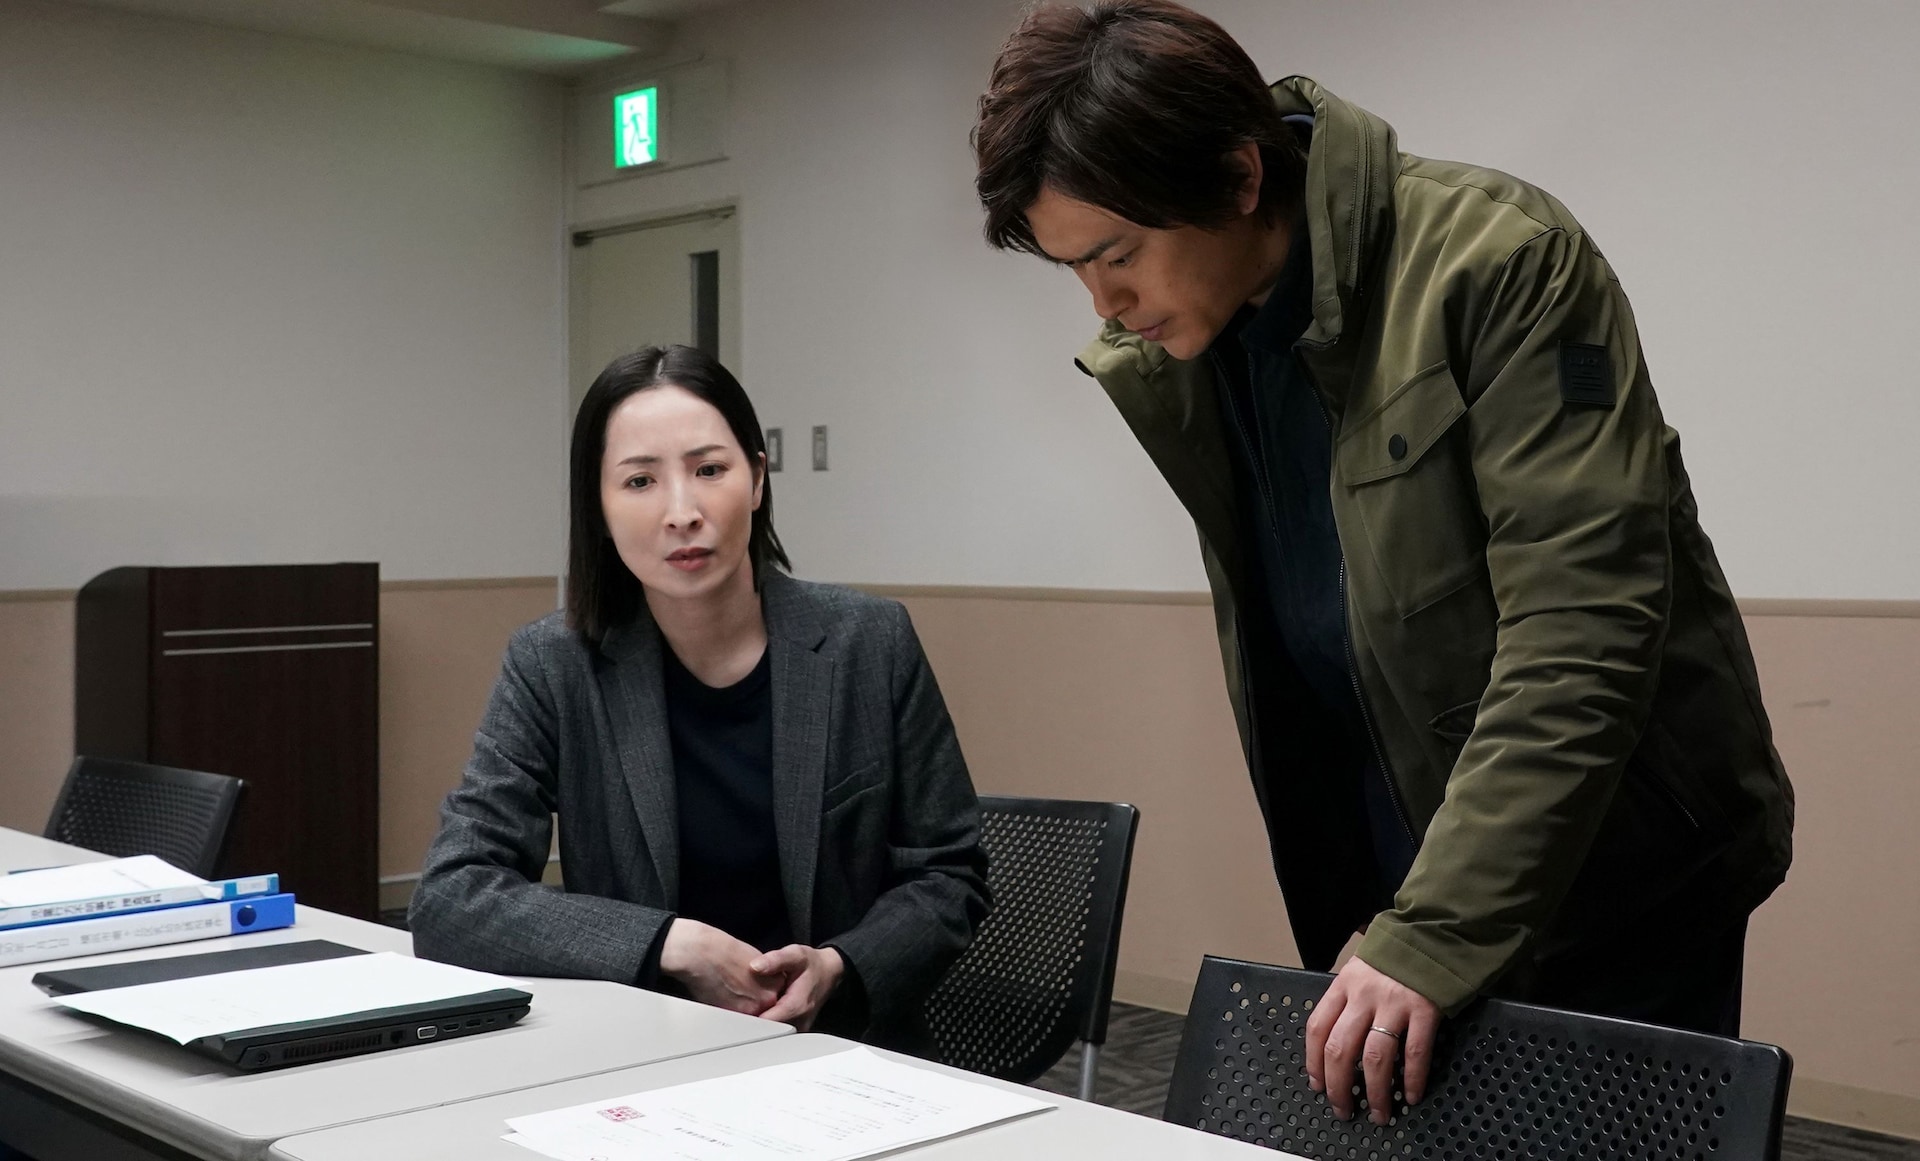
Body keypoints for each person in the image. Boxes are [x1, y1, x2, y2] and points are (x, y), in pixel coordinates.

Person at [971, 0, 1793, 1124]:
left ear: (1240, 176)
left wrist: (1438, 929)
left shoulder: (1498, 260)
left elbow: (1582, 627)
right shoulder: (1193, 340)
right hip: (1395, 875)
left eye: (1117, 254)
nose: (1105, 304)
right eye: (1075, 268)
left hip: (1610, 868)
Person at [410, 344, 990, 1055]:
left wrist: (840, 965)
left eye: (709, 470)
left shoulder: (870, 642)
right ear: (599, 506)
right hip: (643, 1054)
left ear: (757, 478)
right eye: (640, 481)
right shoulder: (554, 663)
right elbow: (452, 895)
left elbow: (948, 873)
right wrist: (668, 943)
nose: (681, 512)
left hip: (844, 1053)